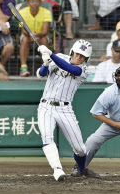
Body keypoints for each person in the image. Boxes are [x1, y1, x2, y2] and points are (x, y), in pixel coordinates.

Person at [37, 39, 92, 181]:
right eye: (77, 53)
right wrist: (45, 63)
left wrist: (51, 54)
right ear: (72, 51)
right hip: (46, 106)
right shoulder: (60, 57)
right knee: (47, 137)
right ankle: (57, 169)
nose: (78, 57)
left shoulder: (84, 70)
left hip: (65, 109)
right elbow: (42, 74)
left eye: (82, 56)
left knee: (80, 149)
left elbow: (72, 69)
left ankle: (80, 169)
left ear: (86, 58)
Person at [71, 64, 120, 178]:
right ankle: (79, 167)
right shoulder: (109, 92)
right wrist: (115, 124)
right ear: (116, 78)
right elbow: (96, 113)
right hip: (112, 123)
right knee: (93, 140)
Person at [19, 0, 52, 77]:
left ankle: (46, 66)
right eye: (32, 1)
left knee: (44, 40)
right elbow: (23, 31)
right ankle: (23, 67)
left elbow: (45, 31)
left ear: (40, 2)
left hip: (41, 35)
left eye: (37, 1)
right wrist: (30, 34)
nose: (34, 3)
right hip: (27, 35)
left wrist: (36, 35)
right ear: (28, 3)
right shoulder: (22, 12)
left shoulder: (46, 12)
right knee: (24, 39)